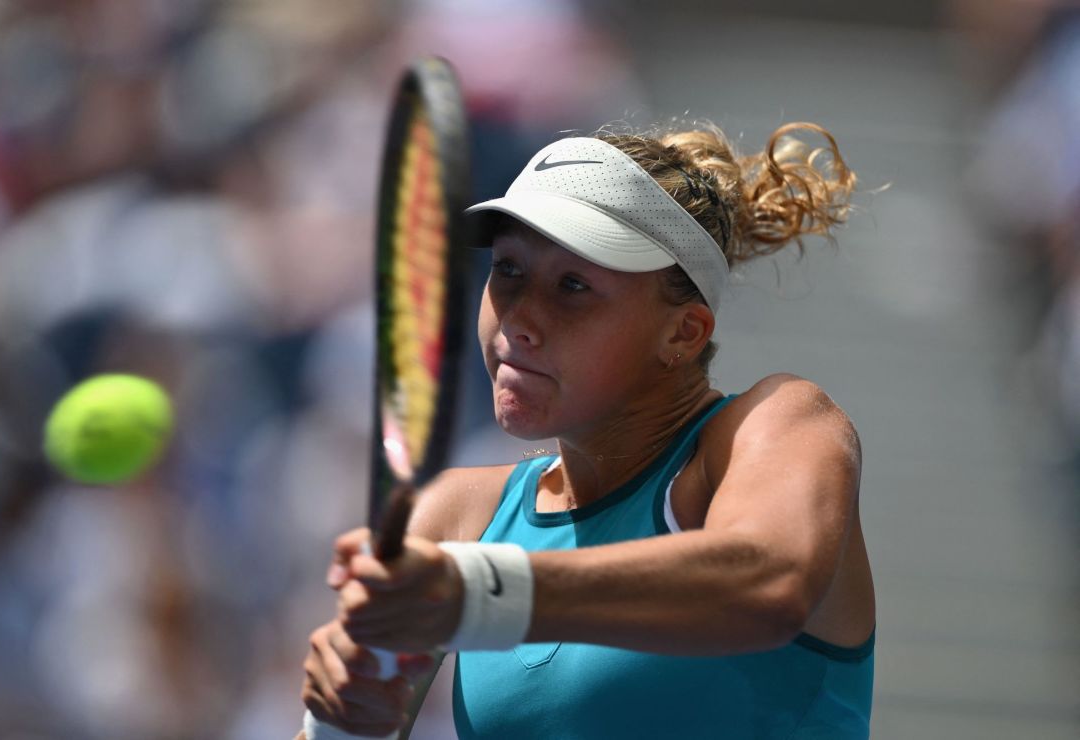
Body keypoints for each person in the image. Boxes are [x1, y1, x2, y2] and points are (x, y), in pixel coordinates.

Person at [299, 121, 875, 739]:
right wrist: (340, 721)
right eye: (509, 270)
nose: (519, 318)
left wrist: (477, 593)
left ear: (683, 333)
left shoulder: (783, 421)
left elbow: (770, 582)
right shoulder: (452, 517)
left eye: (573, 286)